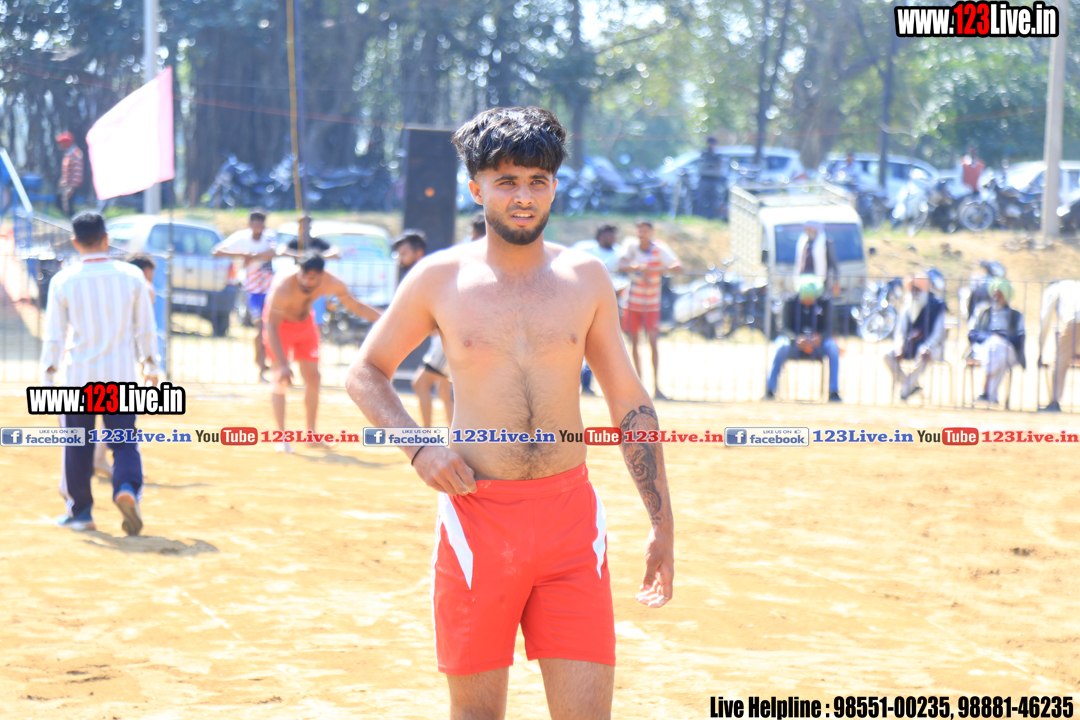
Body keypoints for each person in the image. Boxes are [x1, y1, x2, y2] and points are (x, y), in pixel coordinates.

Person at [345, 106, 674, 719]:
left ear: (554, 187)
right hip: (477, 519)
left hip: (570, 523)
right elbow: (366, 372)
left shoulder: (586, 277)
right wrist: (419, 448)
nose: (524, 197)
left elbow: (629, 402)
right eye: (507, 182)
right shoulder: (439, 277)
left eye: (537, 181)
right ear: (477, 189)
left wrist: (662, 522)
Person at [40, 212, 159, 535]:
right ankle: (126, 487)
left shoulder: (63, 280)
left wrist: (47, 378)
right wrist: (151, 365)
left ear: (75, 242)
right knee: (124, 443)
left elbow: (54, 336)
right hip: (119, 378)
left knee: (76, 446)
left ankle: (81, 513)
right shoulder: (132, 276)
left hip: (78, 378)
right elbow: (145, 328)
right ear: (107, 238)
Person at [264, 252, 381, 453]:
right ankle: (281, 438)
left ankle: (310, 436)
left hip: (305, 325)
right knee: (280, 379)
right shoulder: (284, 287)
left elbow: (355, 306)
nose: (306, 282)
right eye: (303, 276)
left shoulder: (332, 282)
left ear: (322, 275)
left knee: (314, 378)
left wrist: (386, 319)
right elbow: (271, 326)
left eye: (312, 278)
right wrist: (282, 364)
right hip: (279, 327)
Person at [394, 230, 454, 427]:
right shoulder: (423, 274)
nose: (400, 259)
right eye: (399, 254)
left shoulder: (424, 275)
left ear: (418, 253)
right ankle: (457, 438)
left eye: (404, 254)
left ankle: (427, 436)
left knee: (420, 384)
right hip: (441, 339)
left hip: (446, 340)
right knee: (444, 392)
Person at [617, 219, 682, 400]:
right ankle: (638, 387)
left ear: (651, 232)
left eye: (645, 231)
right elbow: (621, 265)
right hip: (633, 303)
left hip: (652, 304)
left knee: (653, 343)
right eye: (639, 231)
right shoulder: (631, 246)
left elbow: (678, 266)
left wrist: (656, 269)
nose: (642, 234)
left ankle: (656, 387)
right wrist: (639, 268)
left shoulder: (659, 248)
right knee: (635, 344)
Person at [212, 211, 276, 381]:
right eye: (255, 224)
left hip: (270, 290)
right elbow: (217, 251)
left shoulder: (269, 237)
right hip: (253, 290)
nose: (258, 228)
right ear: (250, 225)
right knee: (261, 328)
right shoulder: (241, 238)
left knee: (270, 330)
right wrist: (241, 256)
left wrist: (254, 256)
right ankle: (261, 367)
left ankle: (264, 363)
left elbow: (273, 251)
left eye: (260, 225)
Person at [763, 274, 842, 402]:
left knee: (833, 347)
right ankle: (770, 390)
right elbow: (782, 328)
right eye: (805, 298)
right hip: (793, 344)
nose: (808, 301)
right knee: (781, 346)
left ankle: (834, 392)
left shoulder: (826, 303)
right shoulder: (789, 302)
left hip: (818, 345)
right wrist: (795, 339)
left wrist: (820, 338)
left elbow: (831, 327)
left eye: (811, 298)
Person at [573, 224, 622, 395]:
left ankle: (588, 383)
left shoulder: (619, 253)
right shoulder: (584, 248)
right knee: (576, 341)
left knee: (598, 343)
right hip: (580, 300)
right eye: (610, 235)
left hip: (605, 303)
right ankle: (573, 382)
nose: (613, 239)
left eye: (614, 236)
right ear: (601, 236)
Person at [884, 275, 946, 401]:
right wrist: (899, 347)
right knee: (888, 356)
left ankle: (905, 389)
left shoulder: (936, 306)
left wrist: (927, 347)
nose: (915, 293)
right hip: (909, 345)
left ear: (924, 291)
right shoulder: (907, 306)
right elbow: (900, 331)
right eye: (912, 290)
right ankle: (910, 385)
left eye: (918, 290)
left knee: (923, 354)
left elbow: (938, 333)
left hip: (931, 347)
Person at [968, 278, 1025, 405]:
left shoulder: (1016, 316)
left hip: (1007, 348)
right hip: (983, 347)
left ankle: (985, 392)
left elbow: (1020, 338)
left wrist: (1002, 338)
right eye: (994, 295)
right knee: (996, 349)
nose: (996, 298)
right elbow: (972, 334)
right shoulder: (982, 312)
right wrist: (990, 337)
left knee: (998, 347)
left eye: (999, 295)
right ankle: (991, 395)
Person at [1038, 280, 1080, 412]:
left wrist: (1040, 349)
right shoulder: (1073, 285)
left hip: (1074, 321)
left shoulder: (1052, 290)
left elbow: (1045, 319)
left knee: (1060, 361)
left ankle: (1054, 401)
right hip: (1074, 319)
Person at [792, 220, 840, 298]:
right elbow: (798, 263)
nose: (807, 232)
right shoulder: (803, 241)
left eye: (809, 229)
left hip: (820, 283)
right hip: (804, 283)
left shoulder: (826, 242)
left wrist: (836, 283)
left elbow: (834, 265)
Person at [55, 132, 84, 218]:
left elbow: (77, 173)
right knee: (60, 203)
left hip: (71, 186)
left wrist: (71, 187)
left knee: (69, 208)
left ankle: (77, 220)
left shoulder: (75, 154)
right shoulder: (69, 154)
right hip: (66, 186)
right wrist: (62, 181)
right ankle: (71, 220)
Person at [697, 136, 724, 219]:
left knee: (714, 199)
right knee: (702, 199)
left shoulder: (718, 155)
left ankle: (712, 216)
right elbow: (702, 165)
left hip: (714, 180)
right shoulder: (704, 154)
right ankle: (701, 216)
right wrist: (711, 165)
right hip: (704, 179)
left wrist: (712, 164)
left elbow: (719, 166)